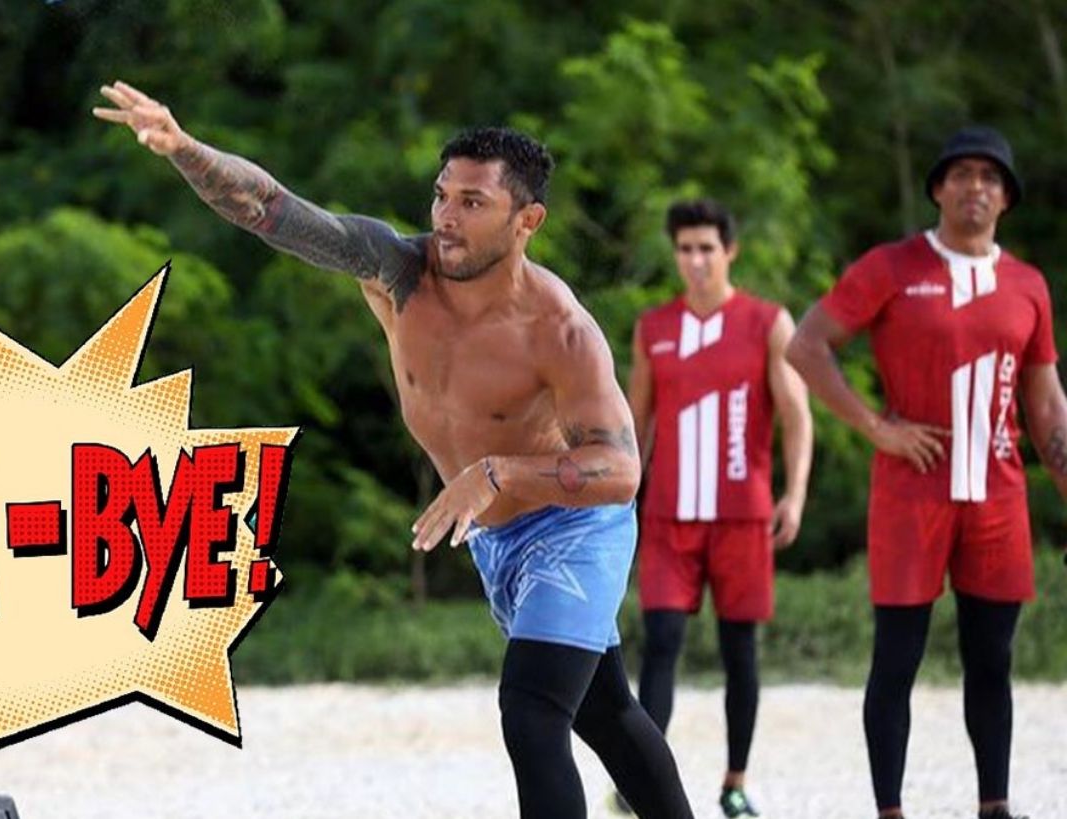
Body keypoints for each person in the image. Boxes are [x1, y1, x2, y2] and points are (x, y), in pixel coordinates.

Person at [93, 81, 695, 818]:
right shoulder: (398, 273)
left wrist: (498, 472)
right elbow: (273, 211)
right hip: (496, 539)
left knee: (533, 710)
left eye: (472, 202)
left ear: (527, 220)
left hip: (573, 527)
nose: (445, 217)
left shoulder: (558, 331)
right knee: (605, 711)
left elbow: (622, 471)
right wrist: (185, 148)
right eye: (442, 196)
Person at [787, 126, 1067, 819]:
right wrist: (875, 426)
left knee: (993, 658)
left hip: (997, 494)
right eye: (962, 173)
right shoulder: (891, 267)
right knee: (897, 657)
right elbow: (807, 344)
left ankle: (995, 805)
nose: (976, 186)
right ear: (938, 188)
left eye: (991, 177)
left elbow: (1045, 403)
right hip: (912, 490)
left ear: (1007, 198)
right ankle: (890, 809)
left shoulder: (1028, 285)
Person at [622, 199, 812, 818]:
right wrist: (616, 500)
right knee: (661, 642)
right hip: (669, 515)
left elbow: (797, 416)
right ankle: (642, 784)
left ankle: (734, 783)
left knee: (739, 651)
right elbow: (636, 424)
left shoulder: (768, 322)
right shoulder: (654, 328)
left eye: (707, 248)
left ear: (730, 251)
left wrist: (794, 494)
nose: (696, 260)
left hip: (741, 516)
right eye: (685, 249)